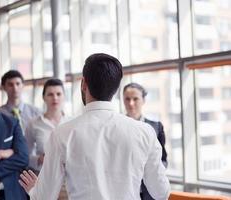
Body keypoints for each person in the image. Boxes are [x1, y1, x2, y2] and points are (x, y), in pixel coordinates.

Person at [19, 53, 170, 200]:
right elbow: (161, 192)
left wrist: (34, 190)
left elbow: (45, 197)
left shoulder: (62, 134)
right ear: (117, 88)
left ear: (83, 84)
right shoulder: (144, 132)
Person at [123, 82, 168, 200]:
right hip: (124, 190)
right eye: (127, 99)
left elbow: (163, 159)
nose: (131, 103)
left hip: (150, 192)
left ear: (143, 100)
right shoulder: (117, 128)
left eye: (135, 99)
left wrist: (153, 172)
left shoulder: (156, 127)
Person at [25, 78, 69, 199]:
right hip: (43, 180)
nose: (55, 98)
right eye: (50, 94)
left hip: (70, 181)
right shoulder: (33, 124)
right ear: (44, 97)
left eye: (58, 94)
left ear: (64, 96)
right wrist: (38, 159)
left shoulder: (72, 122)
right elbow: (25, 155)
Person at [0, 70, 40, 134]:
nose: (15, 88)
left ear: (23, 85)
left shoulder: (36, 113)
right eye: (10, 85)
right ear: (4, 87)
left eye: (18, 84)